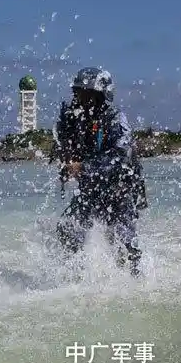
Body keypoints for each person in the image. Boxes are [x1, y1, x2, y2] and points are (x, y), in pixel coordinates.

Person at [52, 67, 147, 275]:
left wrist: (83, 167)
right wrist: (65, 161)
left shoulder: (115, 118)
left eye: (87, 93)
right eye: (78, 93)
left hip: (120, 189)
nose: (81, 98)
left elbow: (121, 155)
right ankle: (74, 280)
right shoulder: (73, 118)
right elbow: (61, 147)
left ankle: (136, 283)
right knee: (67, 229)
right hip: (90, 189)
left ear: (101, 95)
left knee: (125, 245)